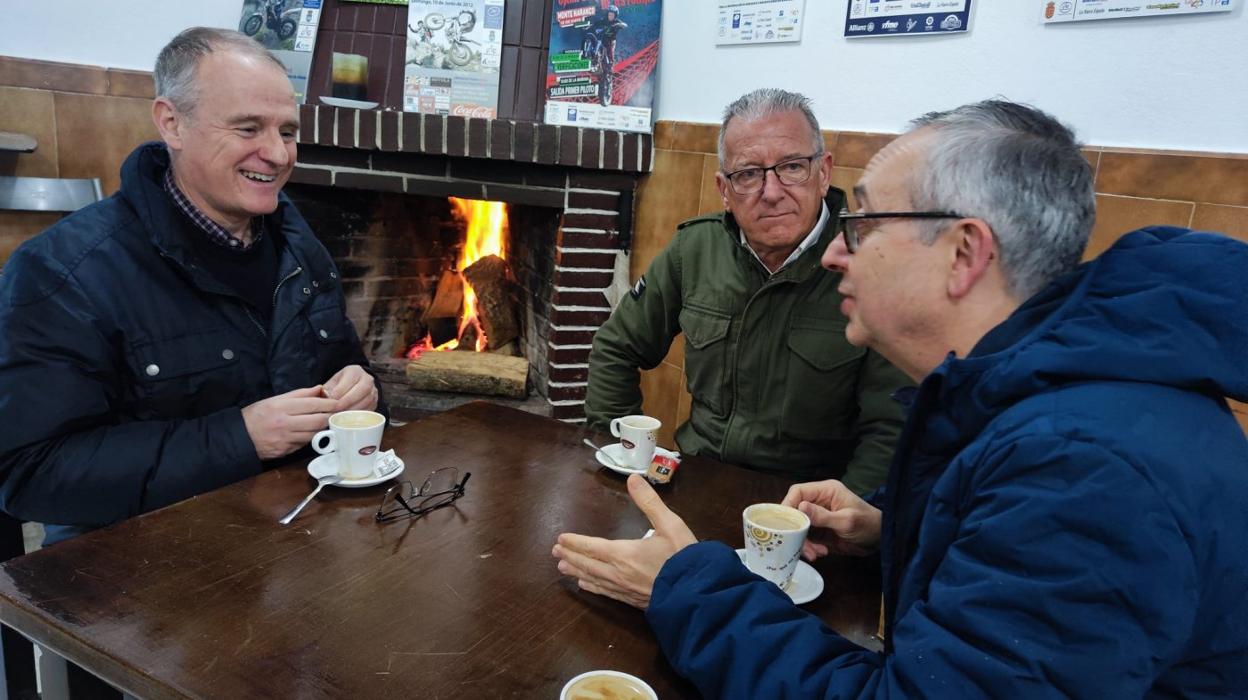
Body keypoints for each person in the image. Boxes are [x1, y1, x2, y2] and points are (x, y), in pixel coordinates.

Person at [555, 100, 1248, 697]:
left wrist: (685, 588)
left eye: (860, 224)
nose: (835, 253)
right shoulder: (1054, 403)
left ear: (963, 252)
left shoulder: (1085, 470)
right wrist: (895, 534)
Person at [0, 27, 383, 545]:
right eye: (248, 128)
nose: (276, 154)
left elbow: (342, 369)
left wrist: (363, 389)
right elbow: (29, 472)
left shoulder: (299, 244)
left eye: (288, 132)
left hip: (289, 538)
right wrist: (239, 437)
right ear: (172, 123)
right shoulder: (63, 272)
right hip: (132, 571)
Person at [585, 88, 910, 492]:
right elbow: (616, 347)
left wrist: (846, 516)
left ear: (823, 172)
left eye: (792, 167)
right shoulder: (695, 249)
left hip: (802, 505)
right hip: (695, 479)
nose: (771, 192)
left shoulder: (866, 262)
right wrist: (622, 451)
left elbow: (892, 424)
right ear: (724, 189)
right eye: (748, 174)